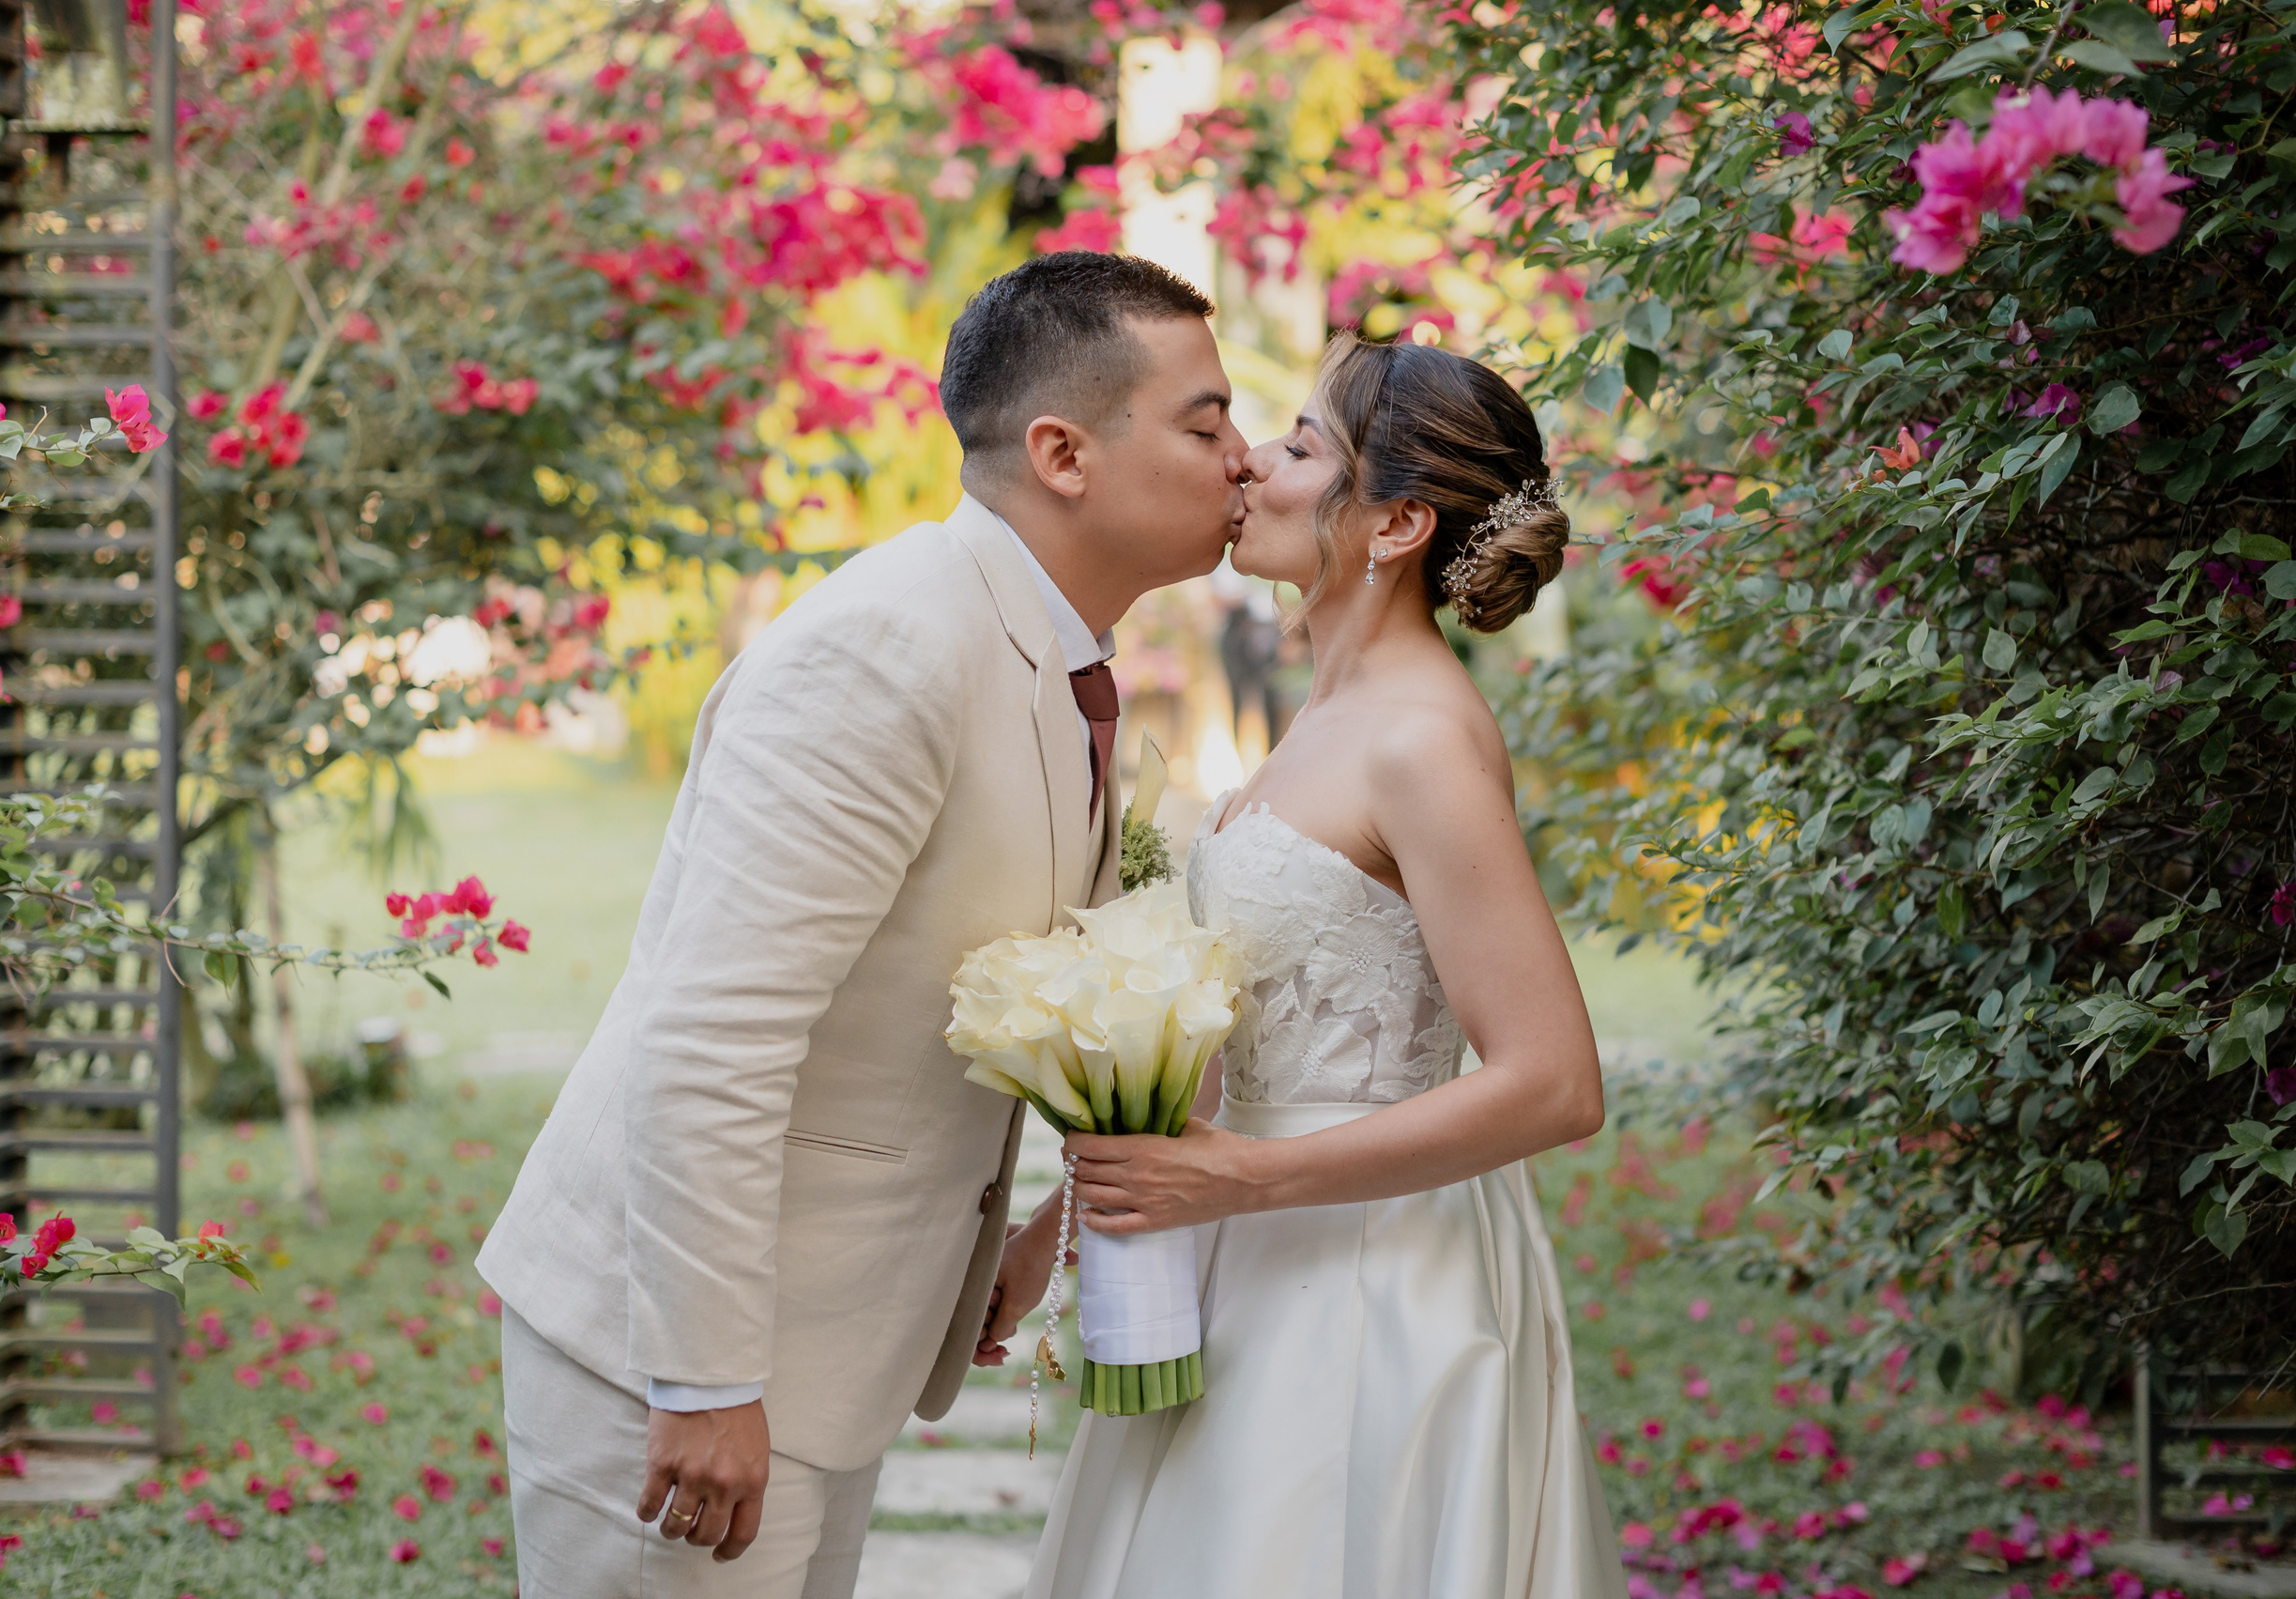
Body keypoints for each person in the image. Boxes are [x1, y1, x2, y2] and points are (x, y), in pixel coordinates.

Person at [474, 251, 1249, 1599]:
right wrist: (704, 1379)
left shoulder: (1054, 657)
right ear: (1063, 453)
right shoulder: (887, 648)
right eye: (1206, 423)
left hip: (827, 1351)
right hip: (672, 1361)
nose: (1243, 459)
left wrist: (1018, 1236)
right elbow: (713, 1031)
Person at [994, 331, 1630, 1599]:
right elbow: (1232, 1053)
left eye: (1296, 447)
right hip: (1244, 1251)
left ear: (1396, 522)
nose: (1247, 465)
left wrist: (1246, 1179)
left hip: (1372, 1283)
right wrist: (1050, 1240)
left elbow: (1556, 1083)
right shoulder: (1322, 719)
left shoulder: (1421, 742)